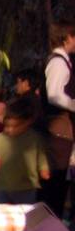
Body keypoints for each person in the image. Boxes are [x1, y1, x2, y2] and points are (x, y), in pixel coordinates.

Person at [0, 97, 50, 204]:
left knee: (22, 218)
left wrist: (44, 170)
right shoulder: (1, 139)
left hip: (26, 189)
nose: (10, 130)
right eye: (7, 126)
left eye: (15, 126)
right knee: (2, 217)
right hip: (3, 188)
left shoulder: (34, 139)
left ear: (28, 122)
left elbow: (41, 158)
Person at [41, 21, 75, 218]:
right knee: (54, 187)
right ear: (66, 38)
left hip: (62, 130)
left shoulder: (64, 62)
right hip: (57, 131)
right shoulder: (57, 62)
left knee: (59, 187)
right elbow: (54, 94)